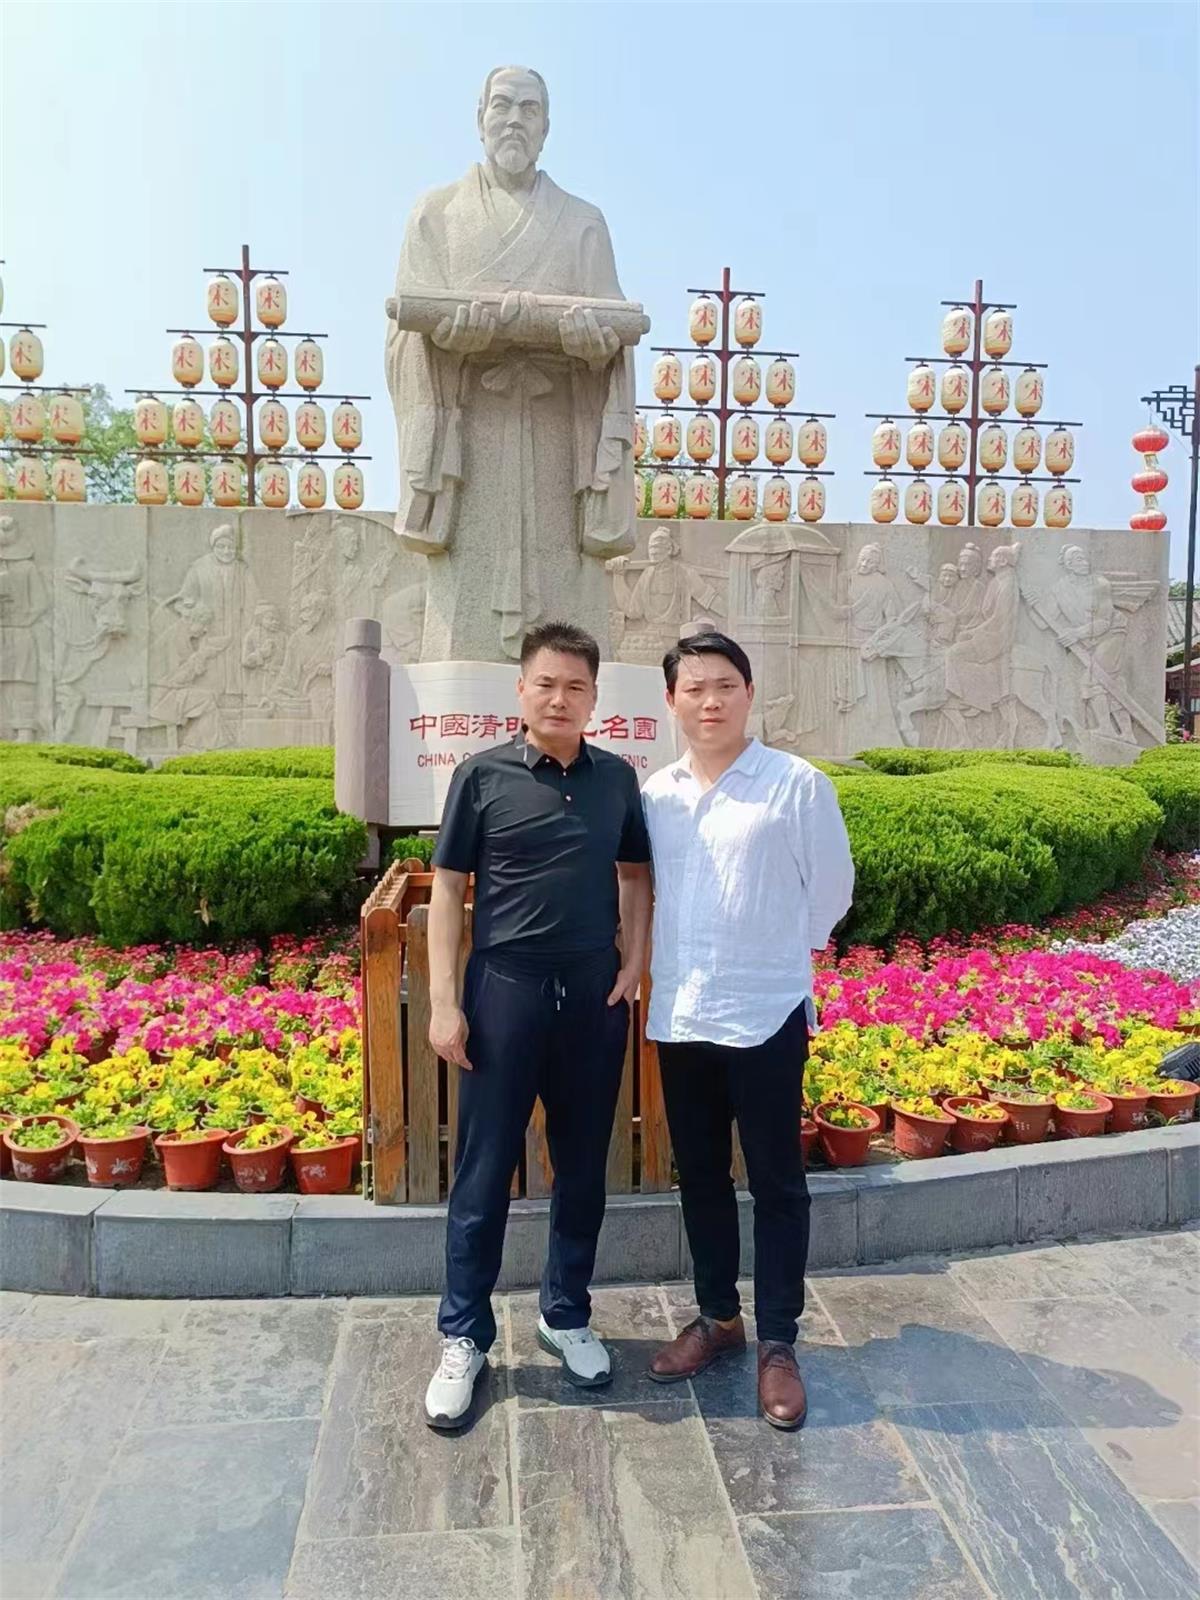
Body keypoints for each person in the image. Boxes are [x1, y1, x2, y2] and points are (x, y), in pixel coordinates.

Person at [423, 620, 652, 1429]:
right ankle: (464, 1335)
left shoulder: (616, 779)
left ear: (594, 697)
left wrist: (634, 960)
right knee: (483, 1170)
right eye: (546, 684)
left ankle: (566, 1313)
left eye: (576, 686)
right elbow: (447, 890)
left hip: (591, 995)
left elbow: (635, 874)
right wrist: (445, 1001)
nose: (560, 698)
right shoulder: (481, 777)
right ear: (521, 690)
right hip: (505, 992)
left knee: (582, 1166)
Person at [641, 630, 854, 1430]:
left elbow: (832, 887)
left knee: (776, 1182)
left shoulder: (795, 785)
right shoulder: (656, 794)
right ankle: (718, 1318)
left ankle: (779, 1343)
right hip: (683, 1013)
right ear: (671, 701)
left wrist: (783, 953)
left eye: (725, 686)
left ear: (749, 694)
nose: (711, 702)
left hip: (766, 1012)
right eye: (694, 689)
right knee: (700, 1175)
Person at [386, 65, 638, 663]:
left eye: (530, 109)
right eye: (502, 106)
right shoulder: (436, 214)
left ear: (547, 127)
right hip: (469, 451)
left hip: (559, 451)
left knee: (567, 628)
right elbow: (401, 340)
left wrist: (593, 347)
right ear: (480, 120)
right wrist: (448, 345)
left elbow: (618, 337)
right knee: (463, 633)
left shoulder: (583, 223)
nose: (514, 121)